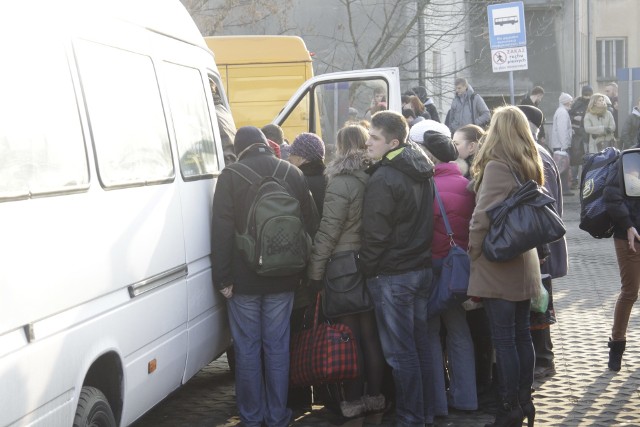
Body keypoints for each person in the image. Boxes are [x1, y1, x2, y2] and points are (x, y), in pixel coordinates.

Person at [210, 126, 318, 427]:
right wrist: (302, 271)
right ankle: (277, 414)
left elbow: (220, 232)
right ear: (264, 145)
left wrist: (223, 279)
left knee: (247, 349)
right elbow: (311, 224)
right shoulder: (291, 173)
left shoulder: (230, 177)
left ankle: (252, 416)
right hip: (284, 279)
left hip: (243, 281)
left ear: (240, 148)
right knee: (277, 347)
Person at [468, 106, 543, 427]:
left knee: (505, 340)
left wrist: (472, 251)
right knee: (521, 335)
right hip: (524, 259)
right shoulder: (529, 163)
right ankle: (525, 402)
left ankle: (509, 406)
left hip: (500, 261)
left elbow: (481, 216)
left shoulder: (498, 166)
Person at [360, 110, 436, 427]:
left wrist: (365, 268)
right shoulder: (421, 168)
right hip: (419, 269)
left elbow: (375, 236)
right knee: (419, 347)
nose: (368, 144)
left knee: (401, 354)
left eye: (374, 139)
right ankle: (424, 413)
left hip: (394, 274)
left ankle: (410, 418)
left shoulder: (384, 177)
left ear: (392, 141)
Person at [307, 124, 386, 424]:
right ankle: (375, 397)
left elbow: (329, 230)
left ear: (340, 146)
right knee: (370, 336)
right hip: (371, 262)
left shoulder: (341, 181)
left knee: (349, 338)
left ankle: (353, 401)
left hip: (343, 267)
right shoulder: (374, 175)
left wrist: (315, 272)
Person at [410, 120, 478, 416]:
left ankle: (437, 403)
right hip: (459, 269)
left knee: (429, 332)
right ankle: (467, 398)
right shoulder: (468, 185)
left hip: (432, 266)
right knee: (459, 332)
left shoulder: (426, 187)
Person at [517, 104, 570, 382]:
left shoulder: (537, 156)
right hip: (541, 245)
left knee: (540, 302)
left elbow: (544, 207)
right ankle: (542, 358)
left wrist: (540, 247)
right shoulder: (536, 153)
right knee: (538, 300)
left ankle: (545, 359)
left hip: (542, 246)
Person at [604, 149, 640, 372]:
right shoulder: (628, 159)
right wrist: (627, 224)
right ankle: (617, 346)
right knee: (630, 291)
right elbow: (611, 195)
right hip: (629, 235)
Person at [287, 132, 327, 215]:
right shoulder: (329, 178)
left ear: (302, 158)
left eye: (292, 153)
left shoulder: (298, 182)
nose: (289, 157)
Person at [568, 85, 593, 188]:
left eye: (589, 95)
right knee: (576, 159)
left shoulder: (592, 103)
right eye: (586, 95)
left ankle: (583, 180)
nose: (587, 97)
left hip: (587, 135)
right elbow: (569, 116)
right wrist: (575, 118)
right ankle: (575, 180)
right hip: (577, 135)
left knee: (585, 159)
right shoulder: (576, 104)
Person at [551, 92, 574, 195]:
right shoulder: (562, 113)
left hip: (559, 145)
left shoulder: (561, 111)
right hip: (561, 146)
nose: (571, 103)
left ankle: (564, 188)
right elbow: (562, 130)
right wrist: (564, 146)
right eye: (570, 101)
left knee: (562, 168)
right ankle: (563, 189)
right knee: (562, 168)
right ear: (567, 102)